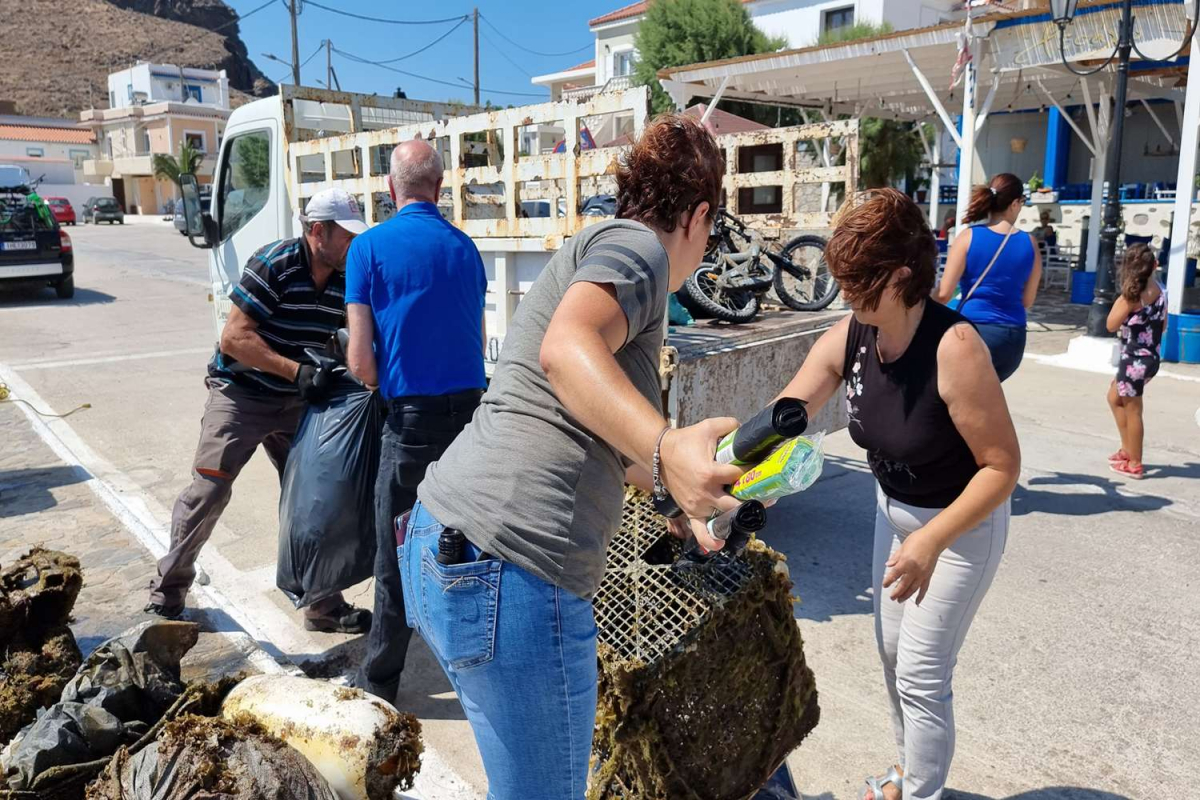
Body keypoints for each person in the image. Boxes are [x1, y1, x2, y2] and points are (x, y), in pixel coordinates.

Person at [400, 115, 741, 799]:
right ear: (700, 214)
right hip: (515, 571)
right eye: (712, 231)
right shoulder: (640, 250)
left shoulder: (601, 247)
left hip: (446, 539)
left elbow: (603, 426)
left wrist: (675, 499)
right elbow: (566, 349)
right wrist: (669, 442)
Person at [776, 189, 1020, 800]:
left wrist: (932, 541)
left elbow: (1001, 466)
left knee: (920, 673)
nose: (849, 298)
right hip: (896, 515)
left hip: (959, 527)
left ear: (902, 276)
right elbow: (792, 407)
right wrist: (739, 455)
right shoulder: (855, 331)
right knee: (891, 658)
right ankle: (906, 774)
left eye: (860, 284)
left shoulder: (955, 348)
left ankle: (920, 794)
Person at [146, 189, 372, 634]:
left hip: (294, 401)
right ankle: (167, 592)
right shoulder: (276, 263)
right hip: (241, 393)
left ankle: (323, 606)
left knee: (317, 498)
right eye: (346, 235)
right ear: (317, 231)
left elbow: (343, 338)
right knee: (209, 490)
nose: (353, 244)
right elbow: (233, 338)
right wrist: (296, 372)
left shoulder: (346, 278)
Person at [345, 141, 488, 704]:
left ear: (390, 190)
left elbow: (361, 363)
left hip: (410, 424)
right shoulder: (465, 248)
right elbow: (475, 339)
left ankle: (380, 682)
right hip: (472, 421)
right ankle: (475, 658)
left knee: (396, 551)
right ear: (440, 187)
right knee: (463, 543)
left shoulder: (368, 249)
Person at [933, 173, 1042, 381]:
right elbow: (1027, 300)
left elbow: (944, 293)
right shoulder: (1031, 244)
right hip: (1012, 339)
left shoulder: (968, 237)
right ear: (1016, 203)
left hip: (974, 333)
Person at [1106, 243, 1167, 480]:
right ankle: (1127, 449)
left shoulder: (1130, 297)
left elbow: (1110, 324)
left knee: (1133, 411)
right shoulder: (1161, 292)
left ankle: (1135, 462)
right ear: (1154, 265)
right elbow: (1163, 325)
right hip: (1151, 358)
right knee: (1113, 397)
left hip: (1133, 361)